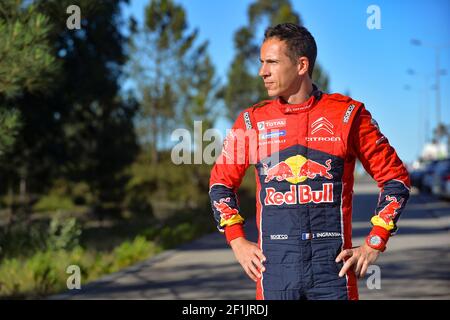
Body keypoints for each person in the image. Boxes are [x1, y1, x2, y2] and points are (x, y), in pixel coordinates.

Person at [209, 23, 410, 300]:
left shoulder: (347, 115)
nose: (262, 72)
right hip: (275, 270)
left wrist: (375, 241)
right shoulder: (252, 121)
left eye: (272, 62)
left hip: (333, 271)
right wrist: (237, 240)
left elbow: (395, 180)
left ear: (301, 65)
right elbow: (220, 184)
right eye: (261, 63)